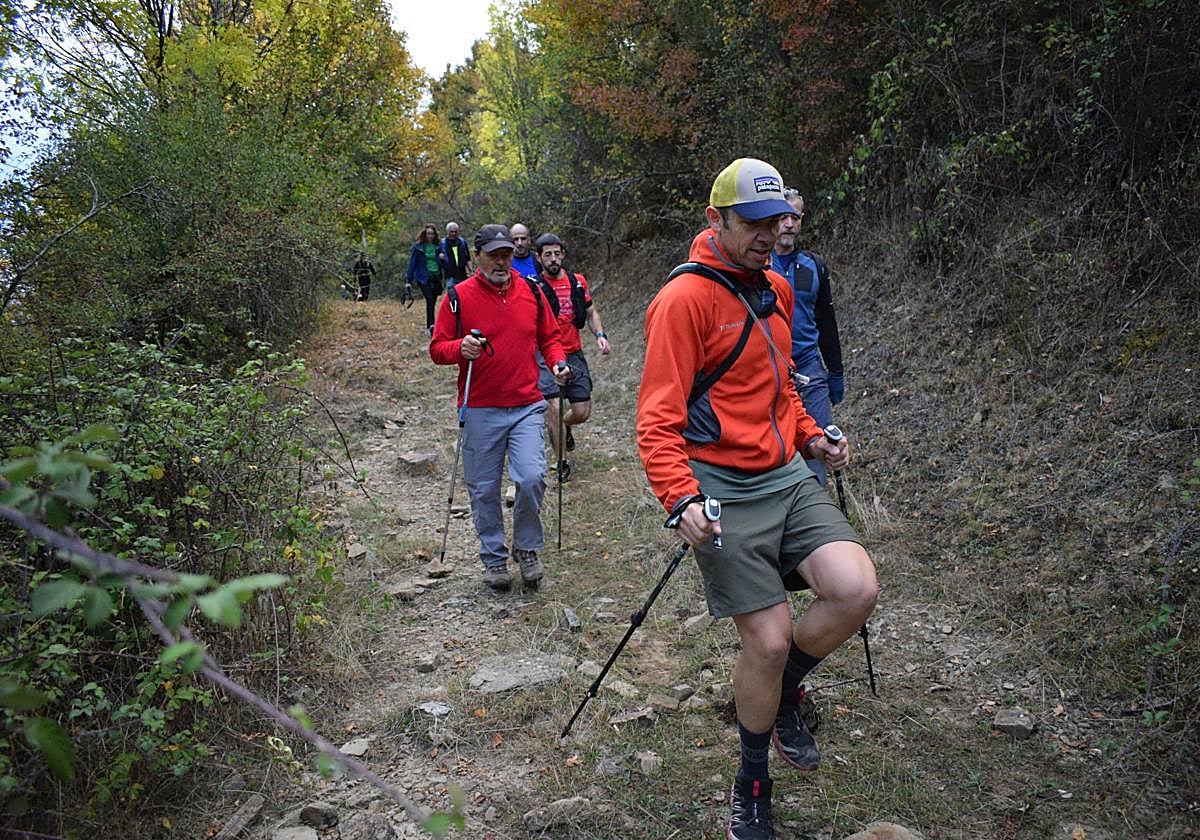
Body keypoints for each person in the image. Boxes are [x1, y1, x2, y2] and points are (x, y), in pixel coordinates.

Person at [635, 158, 878, 840]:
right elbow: (656, 417)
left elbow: (782, 387)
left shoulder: (777, 288)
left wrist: (812, 437)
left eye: (777, 221)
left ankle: (786, 689)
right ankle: (751, 785)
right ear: (715, 219)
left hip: (785, 476)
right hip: (721, 485)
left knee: (855, 589)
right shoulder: (683, 301)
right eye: (754, 223)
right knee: (766, 642)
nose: (769, 235)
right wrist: (679, 497)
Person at [429, 224, 569, 592]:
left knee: (532, 477)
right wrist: (460, 348)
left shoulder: (532, 291)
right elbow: (437, 349)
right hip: (479, 407)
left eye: (506, 254)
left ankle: (527, 549)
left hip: (526, 404)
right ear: (478, 257)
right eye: (494, 255)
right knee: (484, 490)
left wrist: (558, 362)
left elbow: (550, 337)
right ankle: (493, 558)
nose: (502, 262)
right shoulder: (457, 297)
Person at [771, 188, 845, 485]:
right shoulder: (756, 264)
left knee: (819, 446)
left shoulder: (814, 266)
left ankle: (816, 501)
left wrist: (835, 371)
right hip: (770, 368)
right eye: (783, 217)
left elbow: (826, 321)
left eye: (795, 217)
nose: (789, 224)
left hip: (809, 368)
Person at [532, 232, 611, 480]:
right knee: (554, 407)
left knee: (581, 412)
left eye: (557, 254)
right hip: (546, 355)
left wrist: (600, 335)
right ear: (539, 258)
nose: (553, 259)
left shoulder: (577, 282)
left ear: (563, 254)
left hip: (574, 352)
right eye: (548, 255)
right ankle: (561, 461)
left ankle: (566, 426)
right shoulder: (534, 287)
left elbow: (590, 312)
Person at [406, 223, 445, 335]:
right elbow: (412, 263)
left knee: (433, 299)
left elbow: (445, 261)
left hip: (436, 276)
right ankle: (430, 326)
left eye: (432, 234)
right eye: (428, 233)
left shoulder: (438, 246)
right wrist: (408, 280)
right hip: (423, 277)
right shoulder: (418, 247)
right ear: (424, 234)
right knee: (429, 298)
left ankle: (432, 324)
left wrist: (443, 258)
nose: (430, 236)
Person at [439, 221, 471, 291]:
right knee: (452, 294)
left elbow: (468, 258)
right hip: (450, 276)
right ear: (447, 232)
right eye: (451, 232)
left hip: (462, 274)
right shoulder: (442, 243)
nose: (454, 234)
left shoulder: (462, 242)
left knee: (463, 293)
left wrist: (471, 271)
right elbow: (438, 261)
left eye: (455, 232)